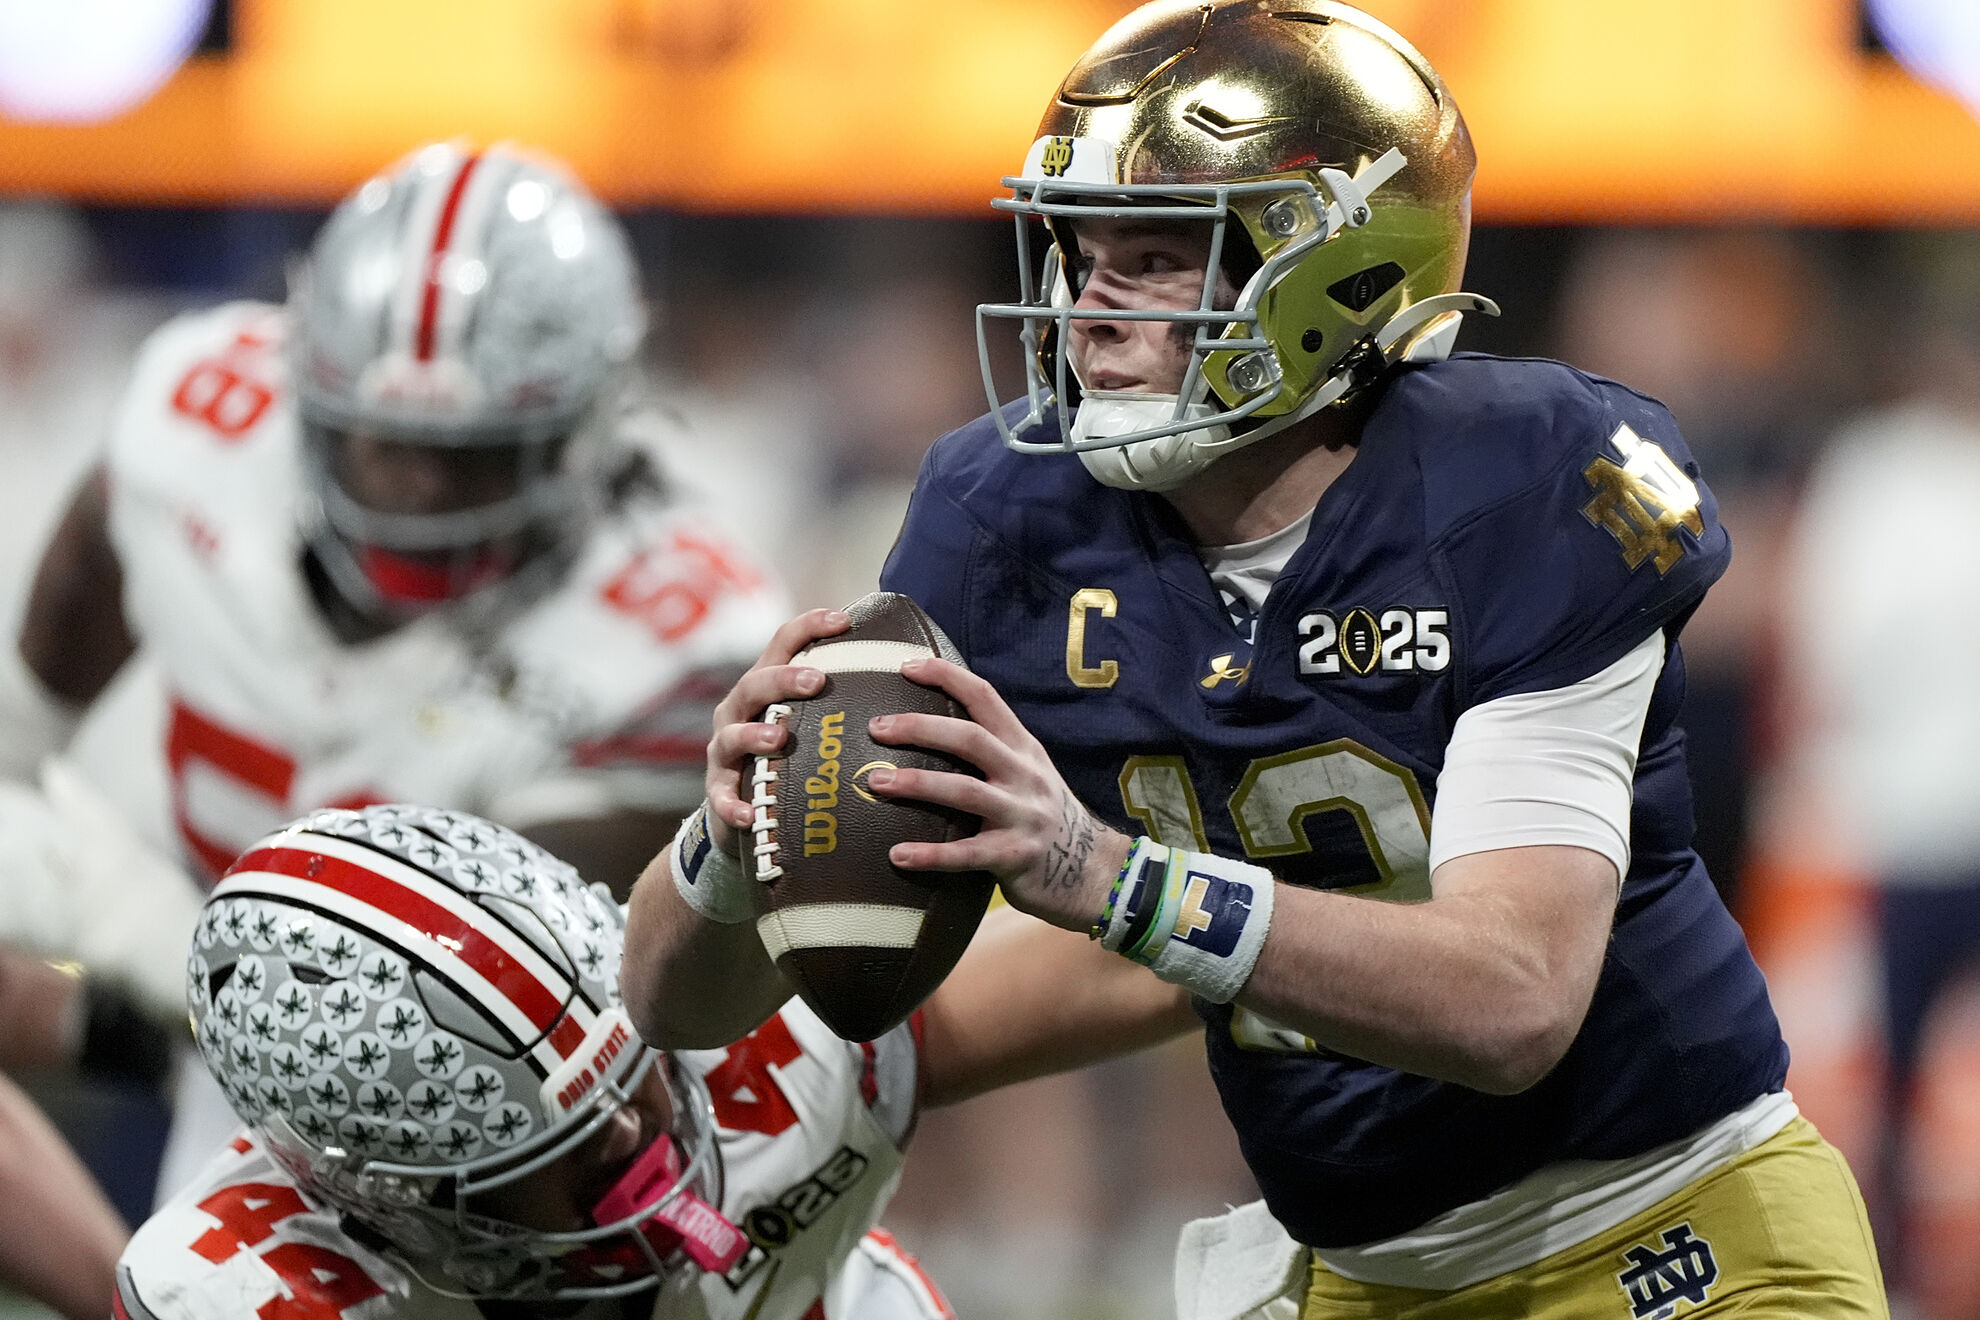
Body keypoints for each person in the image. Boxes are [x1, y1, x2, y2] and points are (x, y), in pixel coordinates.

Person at [621, 3, 1889, 1317]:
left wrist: (1099, 871)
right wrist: (731, 840)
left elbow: (1513, 1001)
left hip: (1673, 1237)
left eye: (1156, 258)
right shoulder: (1008, 518)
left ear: (1342, 281)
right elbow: (684, 1002)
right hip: (1364, 1277)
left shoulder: (1517, 484)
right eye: (1076, 251)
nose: (1087, 309)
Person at [0, 141, 787, 1200]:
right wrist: (19, 743)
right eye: (386, 444)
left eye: (468, 454)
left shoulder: (677, 641)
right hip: (233, 1022)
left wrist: (143, 941)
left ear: (584, 430)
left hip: (508, 1124)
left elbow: (462, 1023)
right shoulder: (196, 427)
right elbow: (100, 543)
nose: (419, 495)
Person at [118, 804, 951, 1320]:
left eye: (630, 1071)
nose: (630, 1132)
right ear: (397, 1205)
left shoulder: (754, 1053)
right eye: (568, 1145)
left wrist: (1086, 884)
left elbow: (1074, 983)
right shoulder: (242, 1293)